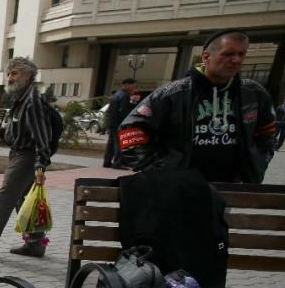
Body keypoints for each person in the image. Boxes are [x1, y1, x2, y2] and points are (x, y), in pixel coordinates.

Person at [118, 30, 276, 183]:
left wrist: (258, 162)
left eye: (241, 54)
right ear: (206, 57)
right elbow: (130, 129)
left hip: (231, 185)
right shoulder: (173, 93)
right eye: (228, 54)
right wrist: (158, 170)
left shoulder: (253, 93)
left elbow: (267, 132)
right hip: (180, 187)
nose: (236, 60)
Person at [0, 57, 59, 258]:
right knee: (24, 200)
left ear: (28, 76)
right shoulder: (20, 101)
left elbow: (42, 137)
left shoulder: (33, 101)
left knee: (3, 199)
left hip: (28, 157)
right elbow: (20, 132)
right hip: (19, 154)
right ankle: (35, 244)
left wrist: (40, 164)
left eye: (15, 73)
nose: (10, 78)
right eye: (9, 73)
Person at [103, 77, 136, 168]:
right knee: (119, 143)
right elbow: (123, 111)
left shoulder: (117, 94)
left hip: (112, 122)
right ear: (127, 85)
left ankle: (107, 162)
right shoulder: (125, 96)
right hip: (119, 123)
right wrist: (132, 104)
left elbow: (110, 110)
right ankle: (117, 163)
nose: (134, 87)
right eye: (133, 85)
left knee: (111, 143)